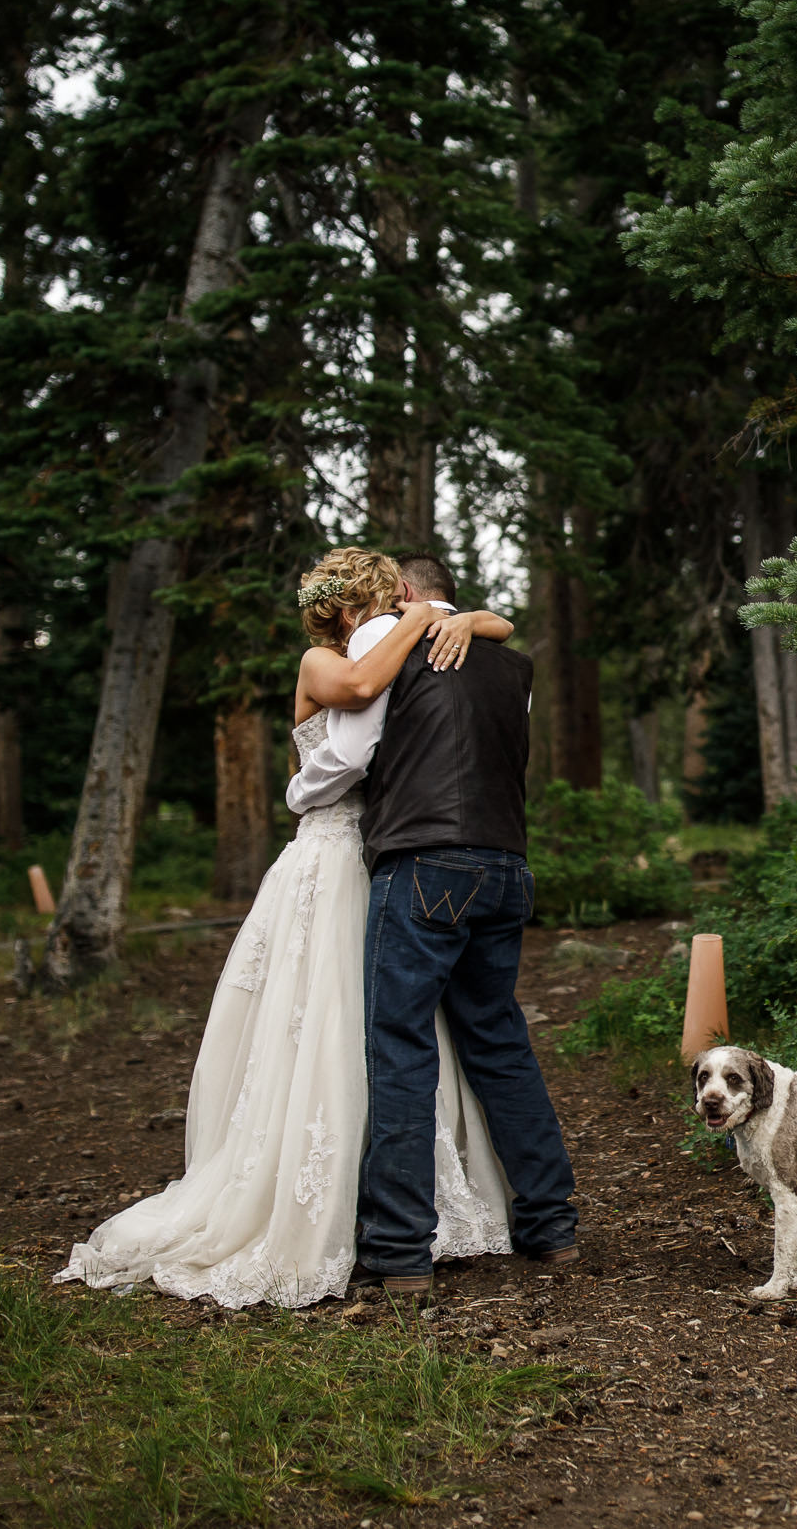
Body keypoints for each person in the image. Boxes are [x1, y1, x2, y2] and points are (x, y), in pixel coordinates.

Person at [56, 548, 516, 1309]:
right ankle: (318, 1207)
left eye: (391, 600)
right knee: (319, 1021)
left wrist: (455, 617)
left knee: (389, 1025)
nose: (382, 610)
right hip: (326, 858)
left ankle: (401, 1206)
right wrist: (425, 616)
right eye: (369, 602)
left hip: (385, 856)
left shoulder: (404, 645)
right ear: (340, 610)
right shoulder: (323, 661)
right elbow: (363, 689)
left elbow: (487, 641)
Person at [288, 549, 577, 1297]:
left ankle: (399, 1250)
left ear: (407, 595)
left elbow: (359, 748)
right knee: (501, 1044)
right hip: (507, 867)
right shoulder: (511, 667)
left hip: (423, 864)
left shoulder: (390, 649)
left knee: (401, 1050)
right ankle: (551, 1226)